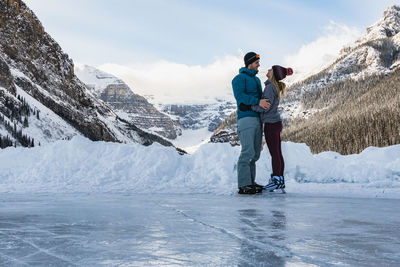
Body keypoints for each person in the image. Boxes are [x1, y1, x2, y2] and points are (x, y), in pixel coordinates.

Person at [239, 65, 293, 192]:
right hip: (275, 123)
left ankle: (276, 181)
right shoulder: (273, 87)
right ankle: (279, 180)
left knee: (275, 154)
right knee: (278, 153)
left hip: (271, 124)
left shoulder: (269, 87)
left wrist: (249, 107)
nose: (268, 70)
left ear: (273, 74)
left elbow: (265, 106)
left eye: (270, 69)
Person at [232, 52, 270, 194]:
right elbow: (240, 96)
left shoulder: (257, 80)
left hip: (257, 120)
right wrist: (257, 102)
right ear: (249, 63)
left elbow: (261, 98)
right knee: (247, 152)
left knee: (255, 154)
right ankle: (243, 185)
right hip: (246, 119)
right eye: (256, 62)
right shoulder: (239, 78)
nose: (258, 65)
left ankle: (250, 183)